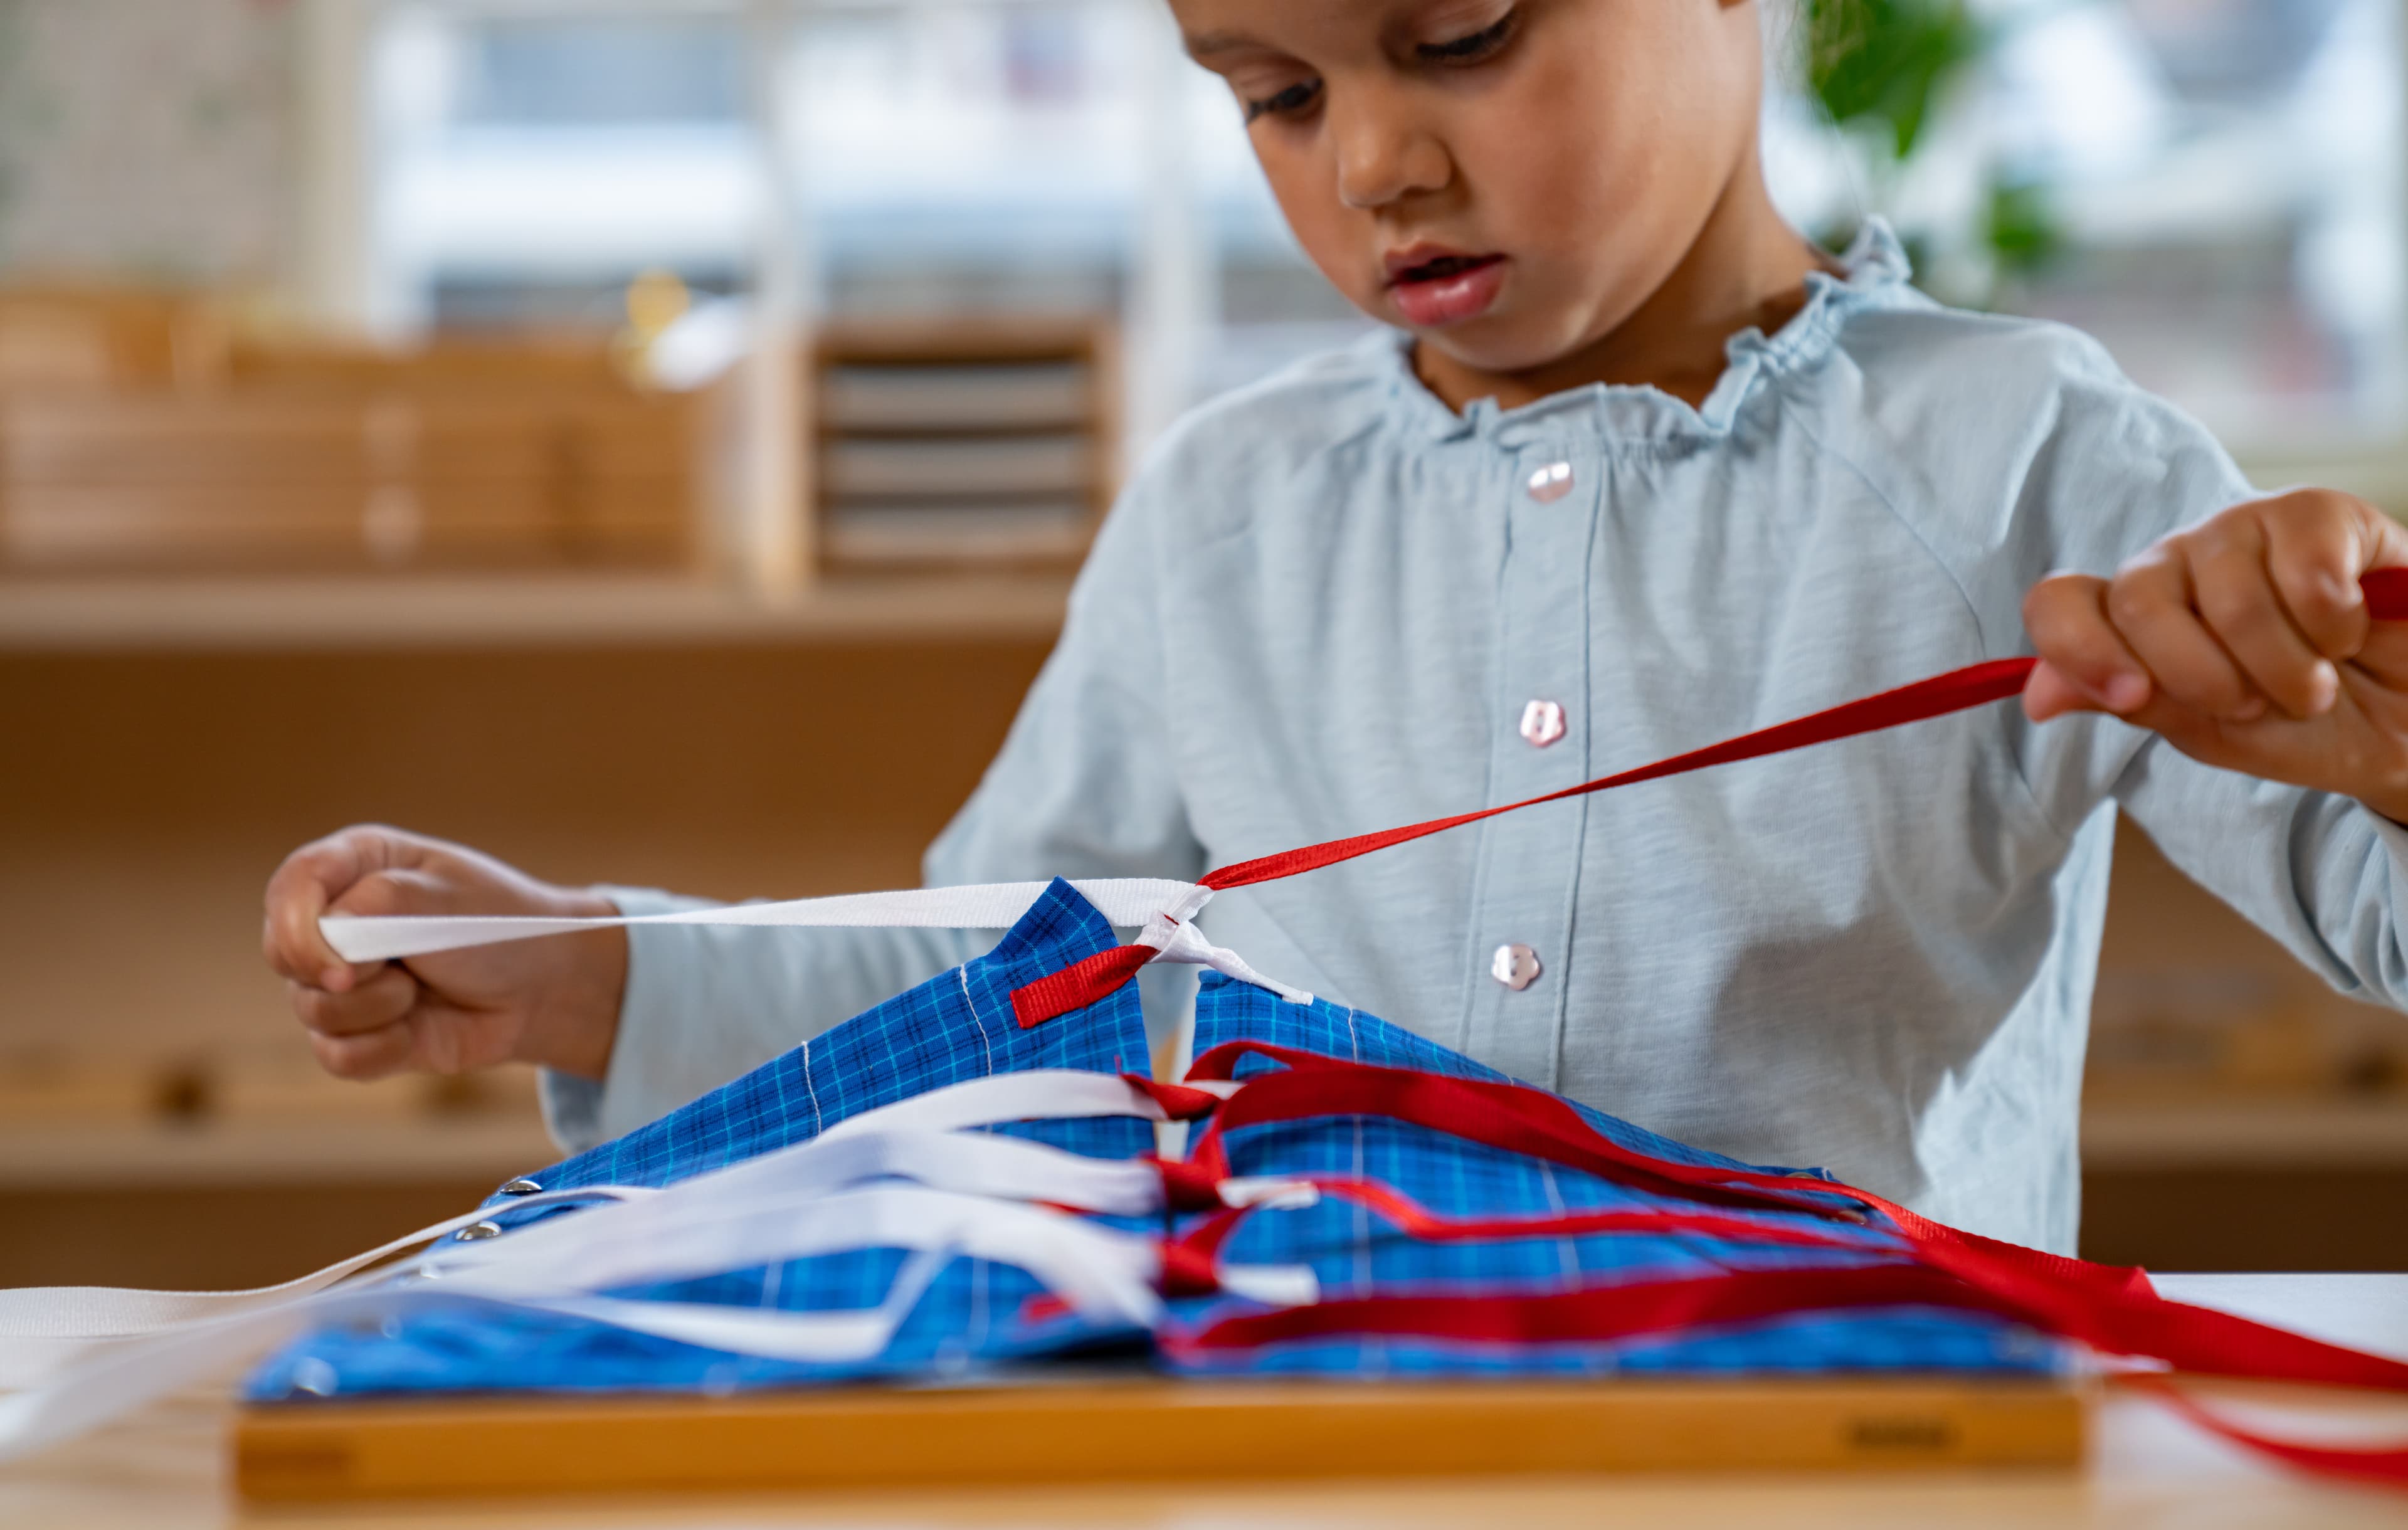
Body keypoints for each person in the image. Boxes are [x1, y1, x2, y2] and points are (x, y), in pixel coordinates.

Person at [261, 0, 2408, 1253]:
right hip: (1335, 1435)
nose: (1374, 158)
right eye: (1272, 90)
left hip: (1872, 1441)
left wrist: (2386, 740)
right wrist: (612, 970)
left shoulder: (2031, 452)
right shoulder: (1224, 505)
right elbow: (1019, 981)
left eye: (1461, 35)